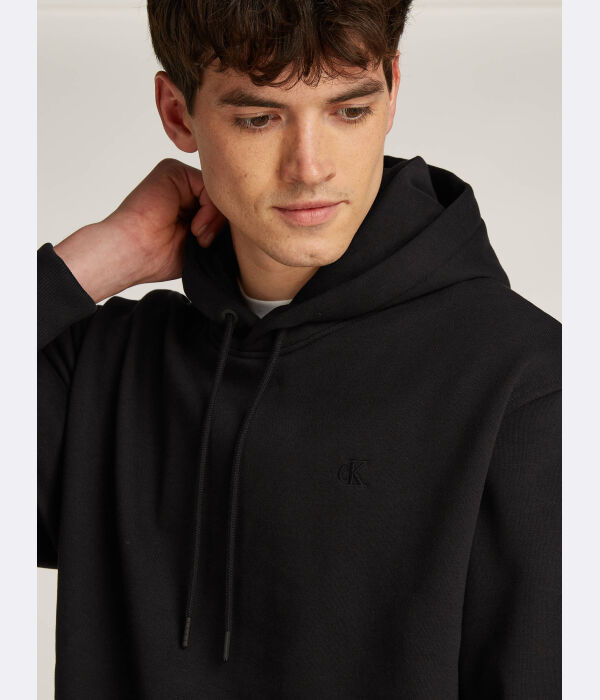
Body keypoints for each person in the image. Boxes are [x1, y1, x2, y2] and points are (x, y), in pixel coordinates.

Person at [37, 0, 561, 698]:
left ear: (393, 90)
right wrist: (91, 261)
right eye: (259, 118)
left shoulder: (527, 385)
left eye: (350, 110)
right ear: (177, 113)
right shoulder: (100, 372)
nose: (309, 168)